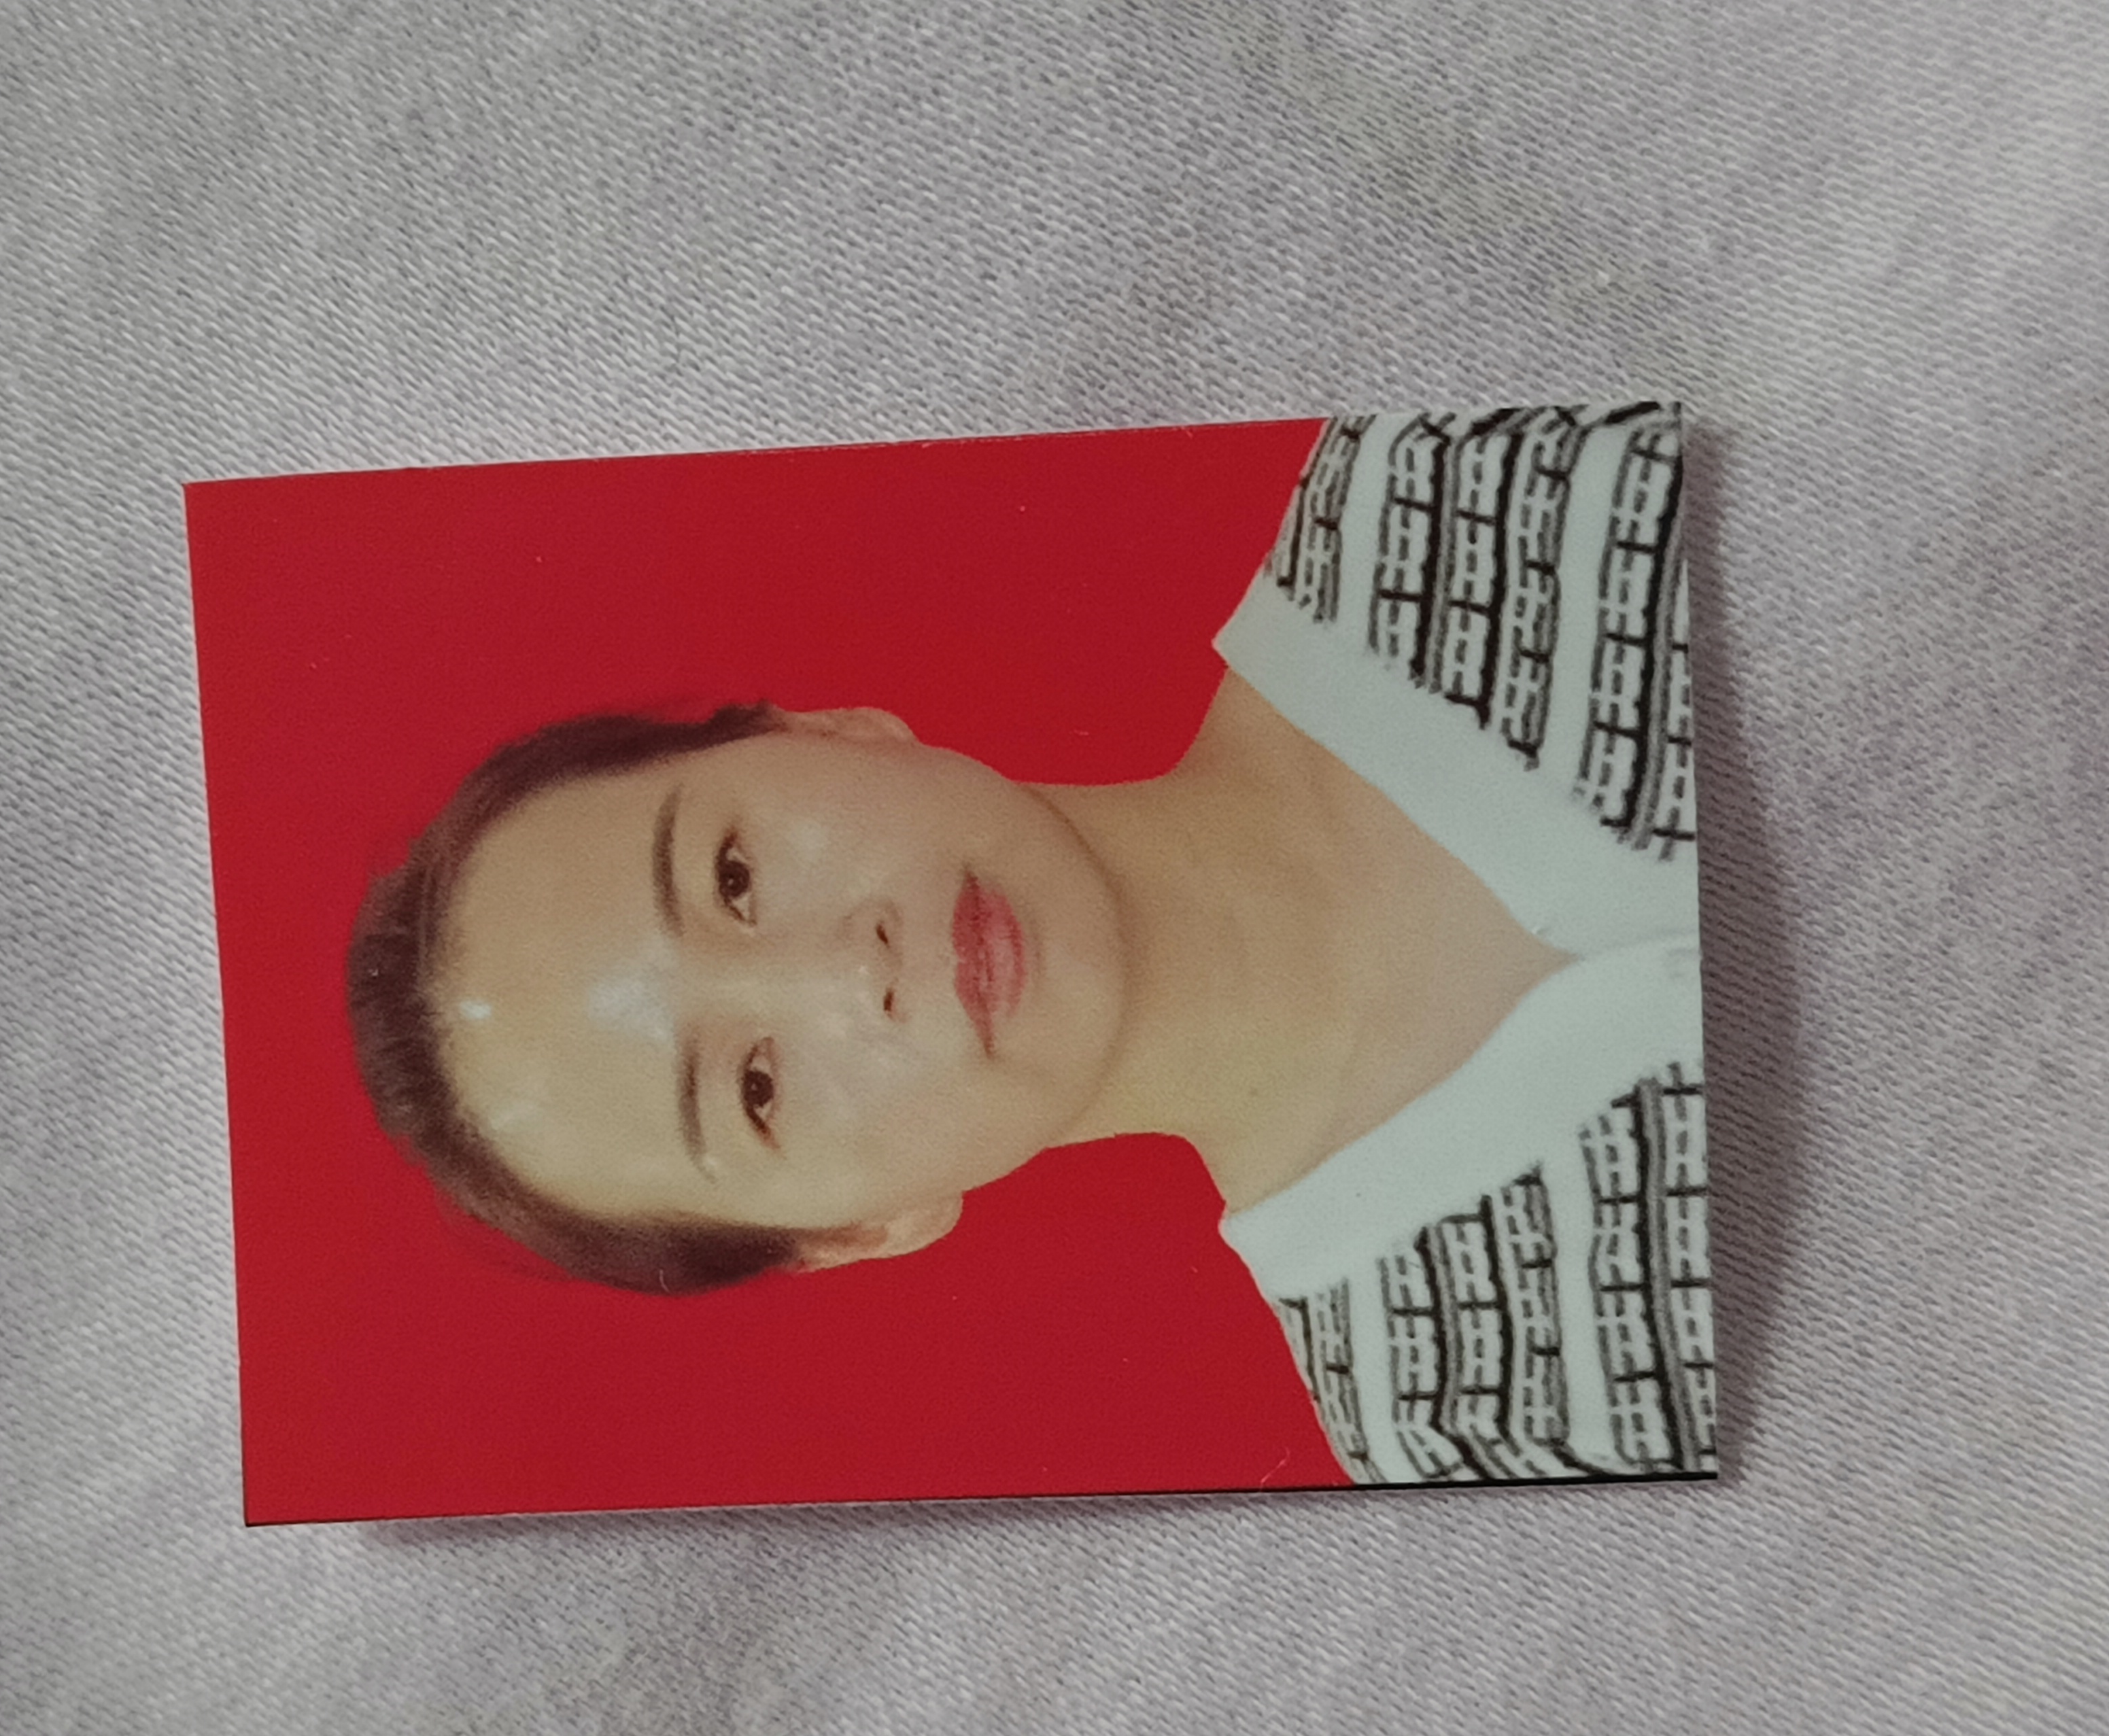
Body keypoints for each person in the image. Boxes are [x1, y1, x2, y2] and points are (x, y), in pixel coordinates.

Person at [348, 404, 1713, 1485]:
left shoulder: (1461, 486)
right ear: (858, 1232)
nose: (854, 969)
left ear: (824, 731)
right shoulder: (1464, 1412)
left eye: (733, 874)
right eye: (754, 1088)